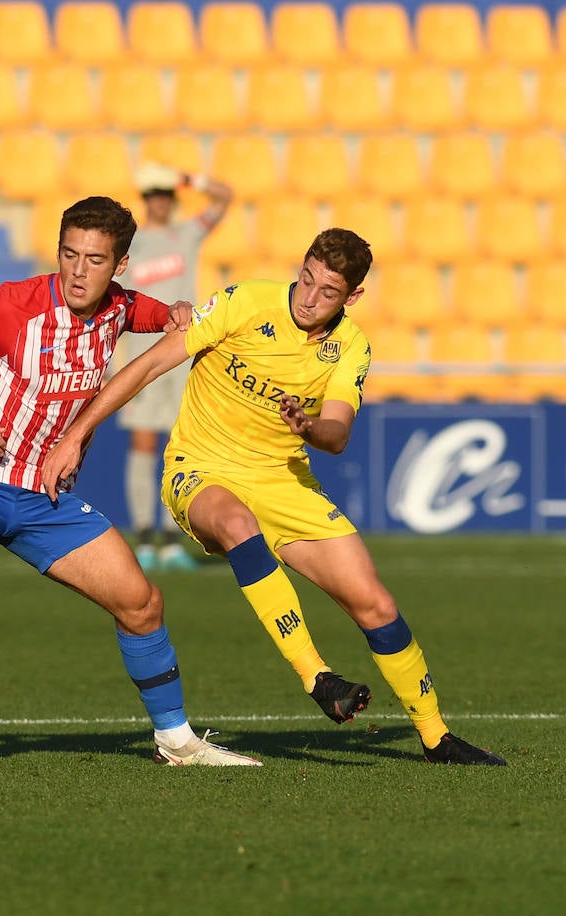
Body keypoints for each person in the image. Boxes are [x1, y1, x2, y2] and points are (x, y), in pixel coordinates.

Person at [41, 228, 507, 766]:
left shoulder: (351, 348)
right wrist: (77, 433)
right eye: (306, 279)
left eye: (327, 292)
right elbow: (148, 365)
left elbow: (337, 433)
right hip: (201, 469)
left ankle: (436, 738)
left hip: (284, 479)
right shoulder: (245, 302)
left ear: (351, 298)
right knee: (238, 523)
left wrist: (308, 426)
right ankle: (317, 677)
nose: (308, 298)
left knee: (375, 603)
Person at [0, 195, 259, 768]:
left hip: (42, 498)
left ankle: (177, 743)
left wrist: (177, 309)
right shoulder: (12, 307)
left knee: (141, 602)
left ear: (119, 265)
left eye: (95, 260)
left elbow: (148, 313)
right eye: (69, 255)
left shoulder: (117, 307)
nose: (79, 272)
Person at [116, 162, 232, 572]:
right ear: (146, 200)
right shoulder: (133, 243)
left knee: (179, 446)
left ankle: (170, 539)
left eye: (167, 196)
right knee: (144, 443)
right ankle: (145, 536)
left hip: (183, 351)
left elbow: (224, 197)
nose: (161, 203)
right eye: (154, 196)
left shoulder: (186, 234)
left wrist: (190, 179)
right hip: (142, 354)